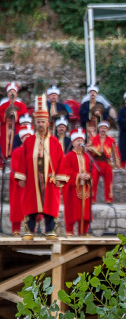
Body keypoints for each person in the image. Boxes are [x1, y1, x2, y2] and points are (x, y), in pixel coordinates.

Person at [14, 95, 64, 240]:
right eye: (38, 122)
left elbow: (61, 160)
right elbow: (22, 160)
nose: (41, 124)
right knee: (30, 203)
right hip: (32, 178)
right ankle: (29, 231)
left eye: (43, 121)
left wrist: (60, 178)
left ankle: (50, 231)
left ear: (48, 123)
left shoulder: (55, 142)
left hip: (50, 179)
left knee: (50, 203)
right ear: (35, 123)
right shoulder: (29, 142)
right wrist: (22, 177)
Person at [56, 128, 93, 236]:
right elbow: (65, 171)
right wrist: (78, 176)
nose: (80, 143)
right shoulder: (68, 157)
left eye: (82, 140)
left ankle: (83, 232)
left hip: (85, 188)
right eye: (78, 140)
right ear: (73, 142)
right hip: (73, 188)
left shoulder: (88, 156)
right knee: (72, 211)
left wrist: (88, 176)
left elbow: (93, 170)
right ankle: (69, 232)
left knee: (85, 212)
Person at [89, 121, 121, 204]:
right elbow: (87, 149)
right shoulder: (93, 139)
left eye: (105, 128)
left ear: (107, 129)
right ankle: (92, 199)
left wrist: (117, 163)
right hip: (96, 162)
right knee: (94, 181)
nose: (103, 129)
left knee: (108, 182)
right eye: (102, 128)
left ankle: (108, 199)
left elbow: (115, 151)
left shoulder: (111, 140)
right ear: (99, 129)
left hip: (106, 162)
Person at [9, 125, 32, 236]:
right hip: (19, 184)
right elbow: (14, 167)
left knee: (31, 207)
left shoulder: (35, 153)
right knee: (17, 206)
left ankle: (30, 229)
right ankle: (16, 229)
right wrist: (21, 179)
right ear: (22, 139)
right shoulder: (17, 152)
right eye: (25, 137)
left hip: (31, 184)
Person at [0, 82, 28, 159]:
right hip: (5, 127)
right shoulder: (4, 105)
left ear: (16, 93)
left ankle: (14, 156)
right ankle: (4, 158)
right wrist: (6, 115)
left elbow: (24, 114)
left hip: (16, 126)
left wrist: (16, 114)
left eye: (13, 92)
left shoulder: (21, 105)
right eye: (10, 92)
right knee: (5, 142)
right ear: (7, 93)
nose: (12, 93)